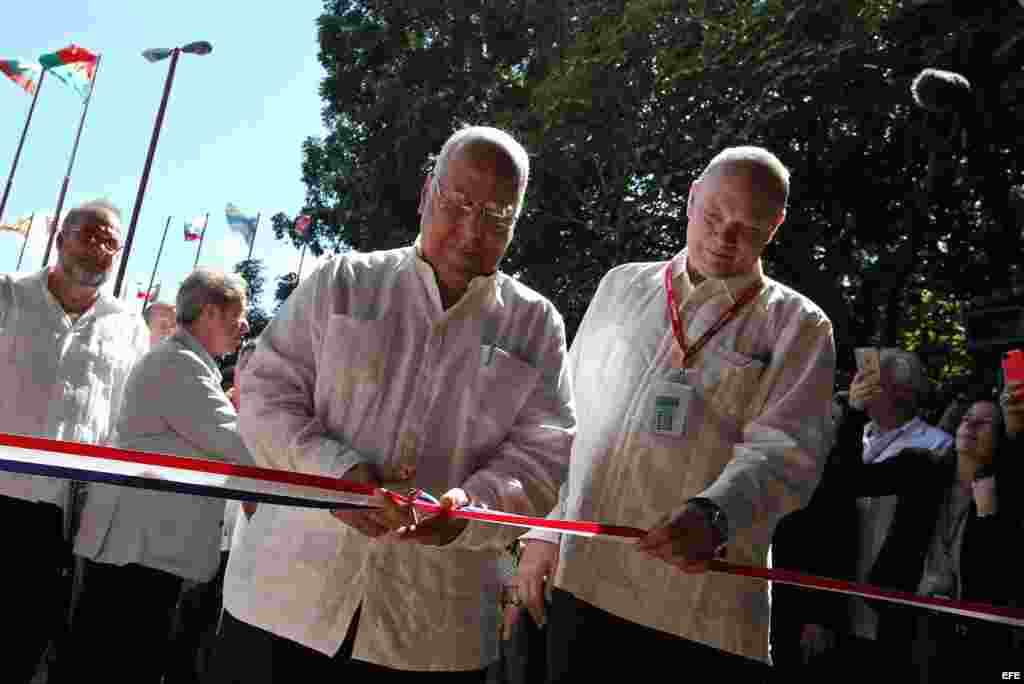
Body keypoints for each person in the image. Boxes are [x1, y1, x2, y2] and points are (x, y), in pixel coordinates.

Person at [215, 125, 575, 682]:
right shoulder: (343, 283)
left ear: (517, 220)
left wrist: (466, 510)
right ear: (427, 190)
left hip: (433, 633)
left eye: (498, 214)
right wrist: (337, 476)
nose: (471, 230)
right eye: (457, 203)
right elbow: (265, 396)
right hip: (281, 602)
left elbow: (543, 456)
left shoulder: (534, 325)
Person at [509, 146, 836, 679]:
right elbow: (571, 422)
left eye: (748, 228)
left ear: (774, 229)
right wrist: (543, 536)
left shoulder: (798, 326)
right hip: (585, 582)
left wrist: (717, 513)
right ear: (690, 199)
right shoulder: (620, 287)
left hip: (701, 607)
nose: (724, 238)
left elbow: (785, 454)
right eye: (713, 216)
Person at [70, 268, 256, 683]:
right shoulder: (179, 365)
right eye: (237, 313)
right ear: (209, 313)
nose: (245, 325)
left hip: (144, 552)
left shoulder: (187, 363)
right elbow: (242, 446)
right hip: (137, 558)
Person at [0, 199, 149, 683]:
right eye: (90, 235)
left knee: (24, 641)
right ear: (60, 237)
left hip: (62, 514)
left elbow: (129, 416)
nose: (100, 248)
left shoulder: (128, 326)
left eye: (111, 242)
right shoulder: (8, 295)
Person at [841, 394, 1021, 683]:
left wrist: (989, 516)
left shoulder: (1006, 493)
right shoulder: (921, 469)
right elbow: (851, 479)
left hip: (972, 638)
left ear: (1001, 438)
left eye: (984, 422)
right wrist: (854, 414)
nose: (970, 425)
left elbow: (1001, 570)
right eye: (966, 418)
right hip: (907, 624)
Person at [841, 349, 952, 673]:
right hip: (835, 603)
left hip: (891, 608)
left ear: (906, 392)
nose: (862, 386)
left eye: (876, 380)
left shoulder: (936, 446)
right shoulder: (847, 438)